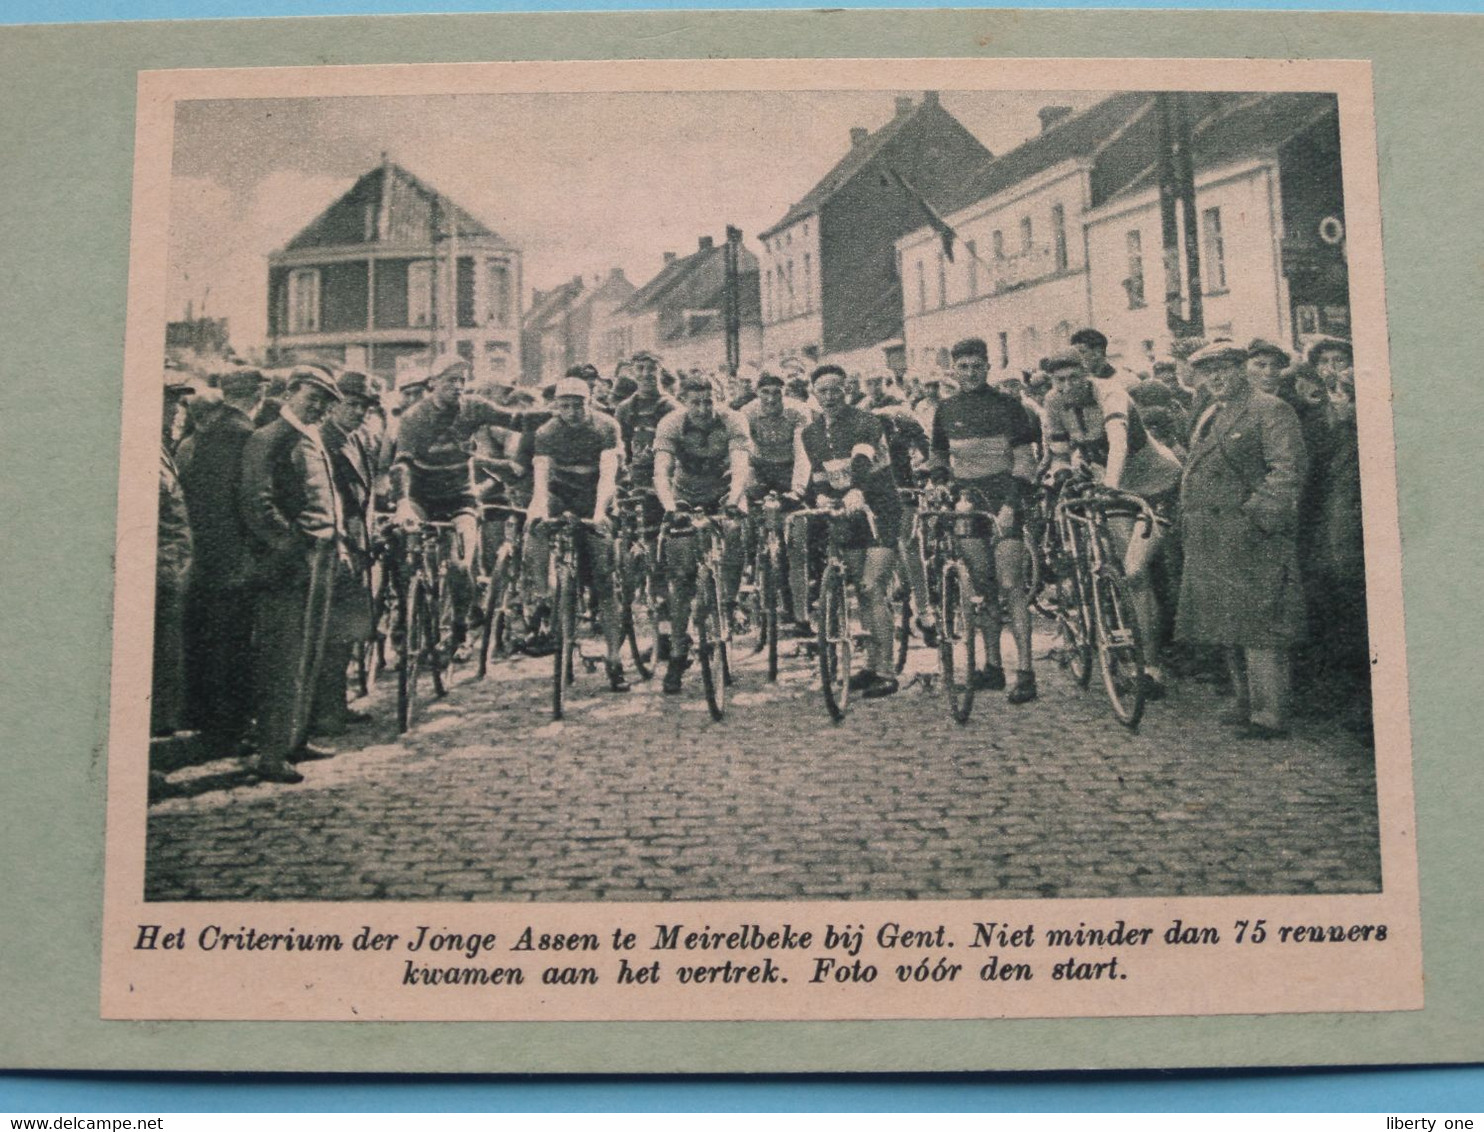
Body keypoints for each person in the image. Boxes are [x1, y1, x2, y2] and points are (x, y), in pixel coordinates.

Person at [1176, 342, 1308, 739]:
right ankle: (1244, 700)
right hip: (1213, 535)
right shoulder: (1212, 412)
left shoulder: (1269, 409)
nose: (1216, 378)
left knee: (1260, 626)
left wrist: (1257, 520)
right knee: (1226, 622)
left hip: (1251, 536)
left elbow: (1287, 470)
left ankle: (1269, 715)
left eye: (1226, 369)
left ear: (1242, 370)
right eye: (1208, 372)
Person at [1041, 350, 1183, 697]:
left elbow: (1117, 442)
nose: (1067, 385)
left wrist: (1111, 487)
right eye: (1059, 380)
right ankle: (1120, 645)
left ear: (1086, 372)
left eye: (1074, 377)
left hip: (1155, 484)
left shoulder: (1111, 392)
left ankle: (1152, 667)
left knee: (1136, 572)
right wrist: (1061, 474)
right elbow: (1059, 452)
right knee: (1117, 568)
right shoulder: (1054, 402)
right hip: (1114, 488)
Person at [238, 364, 345, 783]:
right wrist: (291, 547)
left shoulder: (309, 435)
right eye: (312, 397)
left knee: (309, 653)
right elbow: (257, 504)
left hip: (320, 555)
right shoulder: (269, 438)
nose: (318, 407)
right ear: (289, 393)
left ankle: (296, 739)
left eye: (324, 401)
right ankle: (271, 753)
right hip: (289, 565)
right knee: (281, 660)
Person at [929, 337, 1040, 704]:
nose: (971, 373)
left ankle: (1025, 672)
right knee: (981, 585)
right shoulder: (945, 409)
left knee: (1011, 583)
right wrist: (941, 482)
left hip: (1005, 499)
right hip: (968, 502)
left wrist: (1011, 504)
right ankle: (992, 667)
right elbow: (940, 456)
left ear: (988, 367)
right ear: (954, 370)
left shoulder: (1010, 406)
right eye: (963, 367)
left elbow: (1025, 462)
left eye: (977, 366)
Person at [391, 355, 522, 659]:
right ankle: (404, 619)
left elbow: (515, 426)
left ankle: (461, 627)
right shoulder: (412, 419)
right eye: (451, 380)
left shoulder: (473, 412)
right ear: (432, 383)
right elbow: (398, 465)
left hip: (462, 498)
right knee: (403, 555)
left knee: (461, 564)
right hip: (421, 497)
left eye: (462, 380)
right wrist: (401, 503)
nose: (458, 386)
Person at [794, 365, 903, 698]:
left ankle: (886, 671)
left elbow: (862, 457)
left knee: (872, 587)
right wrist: (823, 495)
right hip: (847, 513)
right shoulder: (810, 433)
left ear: (847, 390)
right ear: (814, 394)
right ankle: (870, 666)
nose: (830, 397)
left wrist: (857, 489)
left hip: (879, 507)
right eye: (823, 391)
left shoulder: (866, 421)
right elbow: (819, 474)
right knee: (859, 588)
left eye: (836, 390)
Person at [175, 366, 265, 758]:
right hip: (235, 557)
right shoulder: (245, 435)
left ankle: (212, 724)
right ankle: (230, 730)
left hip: (207, 554)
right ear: (258, 395)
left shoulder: (205, 434)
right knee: (235, 644)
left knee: (212, 641)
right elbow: (246, 501)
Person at [526, 377, 630, 691]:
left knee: (604, 580)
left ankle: (615, 658)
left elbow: (608, 476)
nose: (571, 411)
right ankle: (543, 599)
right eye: (564, 405)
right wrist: (540, 513)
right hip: (562, 496)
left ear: (589, 403)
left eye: (578, 405)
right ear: (556, 406)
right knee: (535, 530)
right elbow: (542, 480)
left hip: (597, 496)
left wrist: (599, 514)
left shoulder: (605, 426)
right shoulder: (547, 432)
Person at [652, 373, 752, 693]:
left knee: (736, 530)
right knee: (681, 579)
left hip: (725, 492)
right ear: (684, 402)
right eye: (695, 402)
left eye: (708, 401)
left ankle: (730, 601)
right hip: (685, 496)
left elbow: (740, 465)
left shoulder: (733, 420)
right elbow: (661, 470)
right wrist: (669, 506)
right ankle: (679, 653)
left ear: (718, 398)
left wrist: (735, 499)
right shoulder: (671, 423)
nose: (702, 408)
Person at [311, 372, 379, 736]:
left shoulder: (358, 439)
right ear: (333, 405)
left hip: (357, 545)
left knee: (347, 633)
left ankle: (336, 703)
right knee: (330, 634)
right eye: (351, 404)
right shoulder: (323, 442)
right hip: (336, 547)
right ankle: (323, 712)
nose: (358, 412)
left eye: (363, 407)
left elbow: (366, 494)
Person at [742, 372, 811, 632]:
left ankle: (802, 615)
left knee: (798, 546)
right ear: (757, 393)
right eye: (765, 393)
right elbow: (744, 453)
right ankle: (747, 586)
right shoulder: (747, 413)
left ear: (785, 393)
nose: (771, 399)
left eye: (777, 393)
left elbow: (802, 452)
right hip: (759, 471)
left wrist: (798, 490)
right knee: (743, 528)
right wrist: (749, 486)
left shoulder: (798, 412)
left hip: (790, 471)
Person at [154, 374, 196, 739]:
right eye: (172, 401)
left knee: (167, 655)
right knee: (155, 659)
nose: (178, 411)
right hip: (156, 573)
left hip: (171, 571)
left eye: (181, 403)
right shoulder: (142, 448)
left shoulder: (165, 446)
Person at [1069, 327, 1140, 390]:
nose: (1076, 358)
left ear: (1098, 352)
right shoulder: (1082, 384)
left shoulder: (1127, 379)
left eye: (1082, 352)